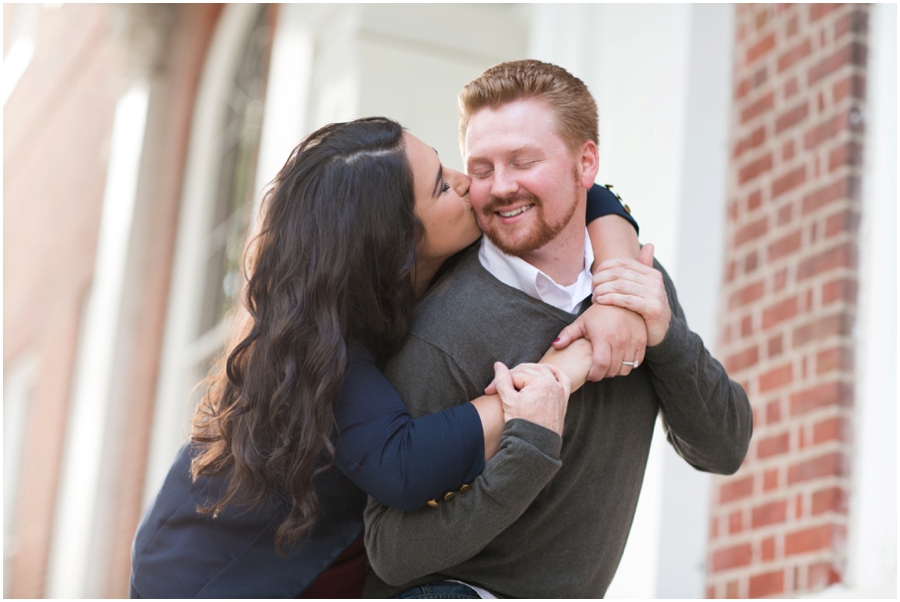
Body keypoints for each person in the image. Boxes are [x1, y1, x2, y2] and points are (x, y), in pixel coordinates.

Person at [129, 117, 644, 598]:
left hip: (330, 563)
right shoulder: (321, 342)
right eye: (442, 186)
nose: (467, 181)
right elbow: (404, 466)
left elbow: (585, 192)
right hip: (214, 576)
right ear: (395, 242)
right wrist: (564, 371)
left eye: (444, 165)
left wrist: (619, 282)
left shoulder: (440, 259)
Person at [363, 60, 753, 598]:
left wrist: (668, 337)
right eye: (481, 168)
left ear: (586, 162)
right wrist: (531, 441)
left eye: (523, 161)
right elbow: (391, 556)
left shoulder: (636, 282)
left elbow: (723, 449)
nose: (501, 187)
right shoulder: (441, 333)